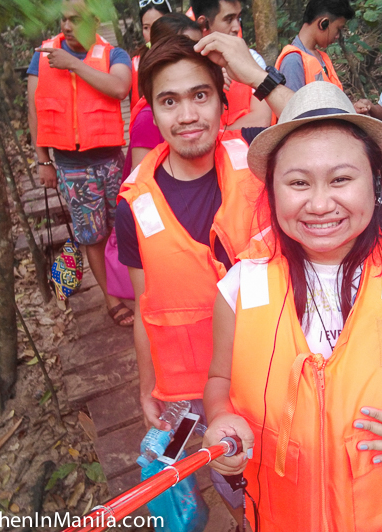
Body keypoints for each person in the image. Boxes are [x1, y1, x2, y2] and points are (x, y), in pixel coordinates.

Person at [202, 81, 382, 531]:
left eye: (341, 179)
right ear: (273, 191)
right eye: (298, 183)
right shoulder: (242, 286)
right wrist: (222, 418)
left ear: (377, 183)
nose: (320, 204)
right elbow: (220, 378)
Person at [115, 35, 268, 524]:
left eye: (200, 95)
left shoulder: (260, 161)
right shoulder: (134, 201)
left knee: (277, 469)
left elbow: (346, 138)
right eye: (169, 100)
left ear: (224, 100)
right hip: (188, 387)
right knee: (228, 476)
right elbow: (145, 305)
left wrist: (259, 75)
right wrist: (148, 388)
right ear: (152, 115)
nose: (187, 115)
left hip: (268, 367)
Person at [27, 0, 134, 326]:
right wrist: (43, 161)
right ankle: (111, 298)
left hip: (111, 161)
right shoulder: (43, 56)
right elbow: (35, 110)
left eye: (75, 19)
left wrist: (74, 66)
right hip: (71, 166)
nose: (67, 26)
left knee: (125, 229)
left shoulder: (111, 54)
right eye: (64, 19)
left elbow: (120, 88)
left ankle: (134, 285)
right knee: (92, 235)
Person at [126, 14, 203, 176]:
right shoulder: (147, 120)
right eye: (188, 50)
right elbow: (142, 183)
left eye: (200, 51)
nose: (199, 60)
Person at [191, 0, 272, 129]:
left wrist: (216, 134)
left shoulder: (252, 59)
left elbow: (261, 119)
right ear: (203, 24)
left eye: (238, 18)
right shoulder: (186, 64)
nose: (236, 27)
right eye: (229, 19)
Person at [276, 0, 355, 92]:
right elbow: (292, 107)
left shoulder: (320, 57)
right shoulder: (293, 61)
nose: (338, 36)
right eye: (338, 29)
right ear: (323, 23)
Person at [131, 0, 171, 101]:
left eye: (157, 25)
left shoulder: (185, 54)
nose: (152, 32)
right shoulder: (136, 61)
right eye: (146, 27)